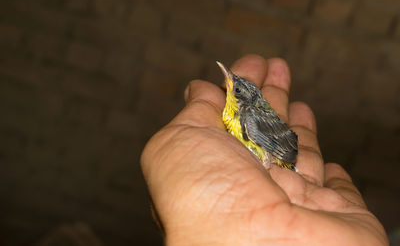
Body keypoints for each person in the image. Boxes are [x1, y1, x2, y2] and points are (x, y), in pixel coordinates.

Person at [140, 55, 388, 245]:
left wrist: (271, 163)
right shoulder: (236, 109)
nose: (230, 86)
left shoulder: (246, 114)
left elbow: (279, 148)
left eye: (235, 90)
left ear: (243, 100)